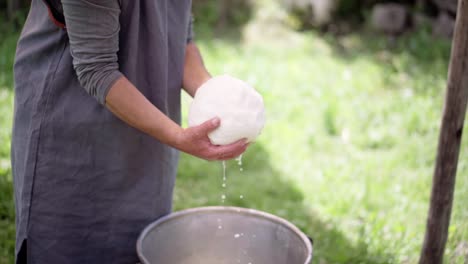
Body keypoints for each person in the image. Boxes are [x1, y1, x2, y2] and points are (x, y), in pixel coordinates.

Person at [12, 0, 249, 263]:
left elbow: (181, 38)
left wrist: (215, 96)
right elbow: (97, 70)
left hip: (151, 126)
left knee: (138, 238)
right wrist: (178, 137)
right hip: (74, 126)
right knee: (72, 243)